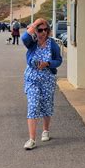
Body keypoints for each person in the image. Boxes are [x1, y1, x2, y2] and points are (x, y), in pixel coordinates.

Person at [22, 18, 63, 150]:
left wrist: (48, 64)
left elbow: (58, 60)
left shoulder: (53, 44)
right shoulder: (32, 43)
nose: (43, 32)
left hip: (47, 79)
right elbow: (24, 37)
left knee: (46, 105)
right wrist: (35, 23)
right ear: (35, 30)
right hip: (32, 79)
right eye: (40, 30)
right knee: (33, 105)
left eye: (46, 29)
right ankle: (32, 139)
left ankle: (45, 130)